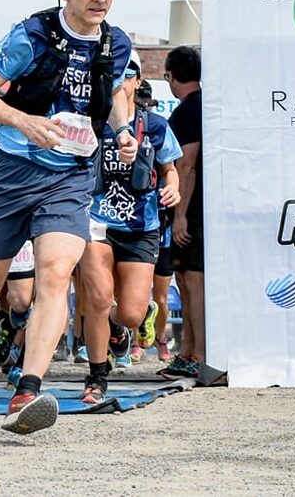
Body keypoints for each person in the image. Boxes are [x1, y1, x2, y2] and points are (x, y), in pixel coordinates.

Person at [0, 0, 135, 434]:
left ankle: (26, 392)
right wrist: (22, 121)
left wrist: (122, 130)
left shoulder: (116, 44)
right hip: (12, 170)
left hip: (70, 176)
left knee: (55, 274)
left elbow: (113, 92)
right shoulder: (31, 35)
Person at [78, 61, 181, 404]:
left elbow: (170, 170)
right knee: (97, 299)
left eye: (127, 75)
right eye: (113, 76)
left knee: (131, 313)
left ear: (138, 82)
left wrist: (172, 188)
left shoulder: (155, 125)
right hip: (97, 222)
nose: (119, 82)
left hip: (141, 226)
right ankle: (96, 377)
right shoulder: (90, 123)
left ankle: (122, 325)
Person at [164, 45, 203, 380]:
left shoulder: (188, 111)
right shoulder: (203, 107)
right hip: (201, 208)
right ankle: (189, 350)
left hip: (195, 211)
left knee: (193, 281)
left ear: (171, 77)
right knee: (186, 279)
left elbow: (186, 165)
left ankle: (199, 354)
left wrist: (180, 215)